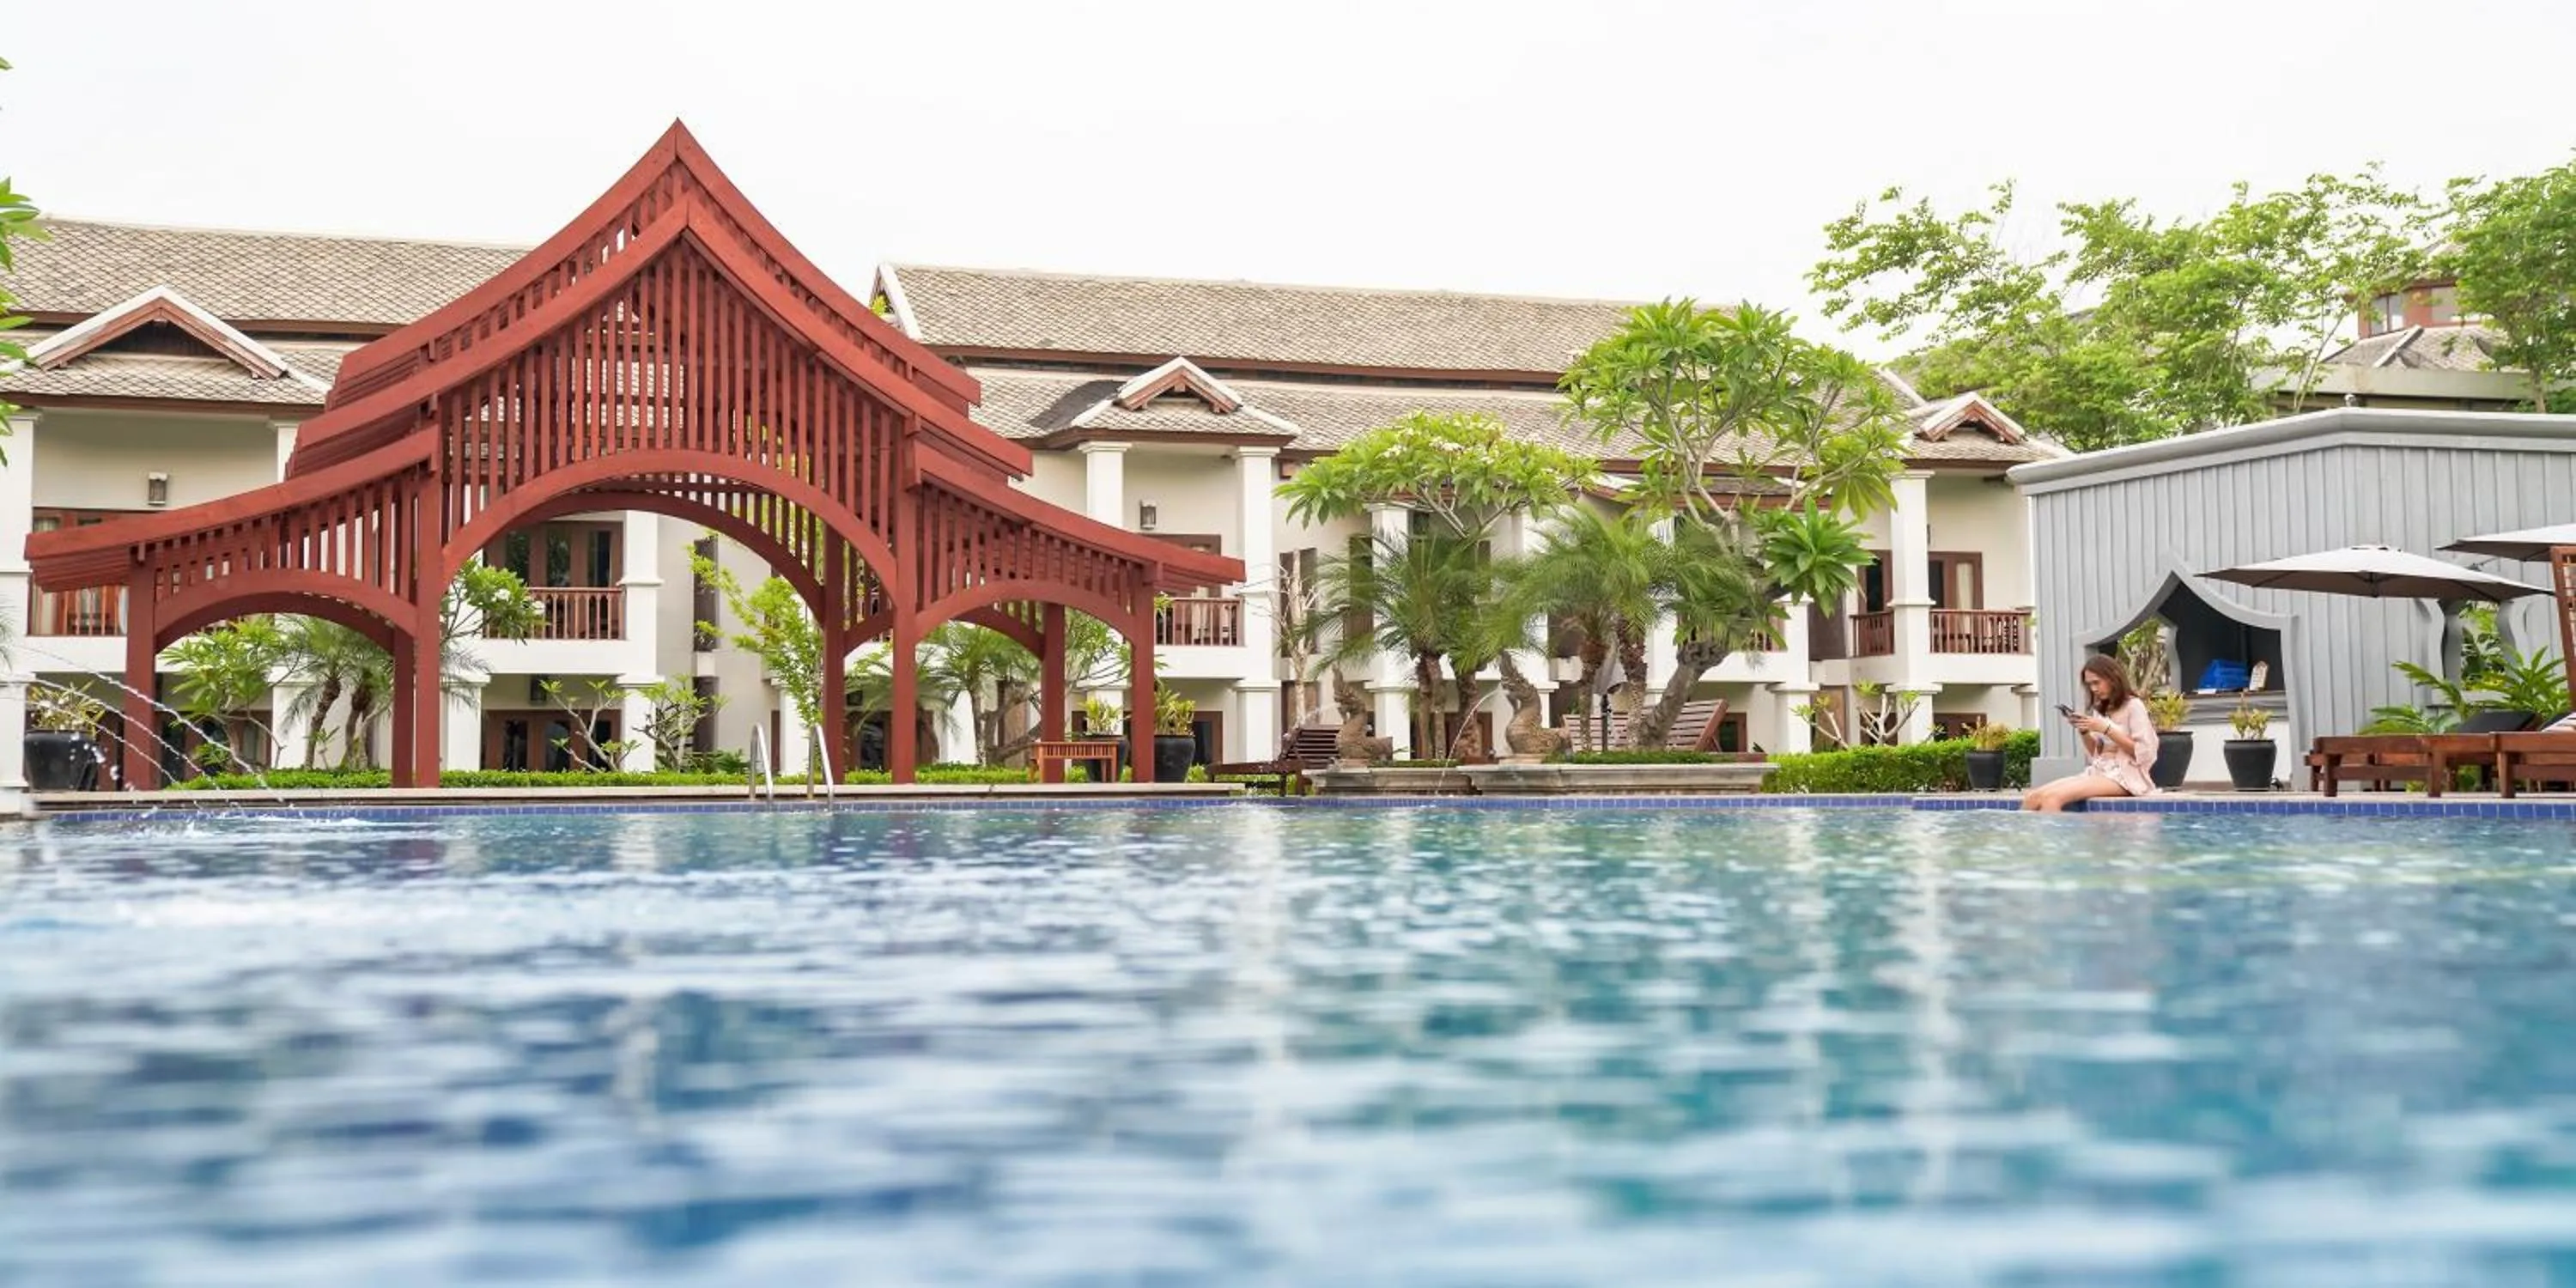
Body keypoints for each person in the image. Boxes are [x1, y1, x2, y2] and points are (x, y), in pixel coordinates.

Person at [2022, 654, 2159, 812]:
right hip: (2100, 770)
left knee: (2053, 798)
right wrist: (2084, 731)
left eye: (2096, 682)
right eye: (2089, 685)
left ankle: (2055, 838)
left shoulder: (2134, 706)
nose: (2093, 689)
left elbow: (2145, 753)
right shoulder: (2101, 709)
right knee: (2033, 797)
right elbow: (2096, 752)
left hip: (2125, 776)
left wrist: (2106, 729)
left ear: (2113, 677)